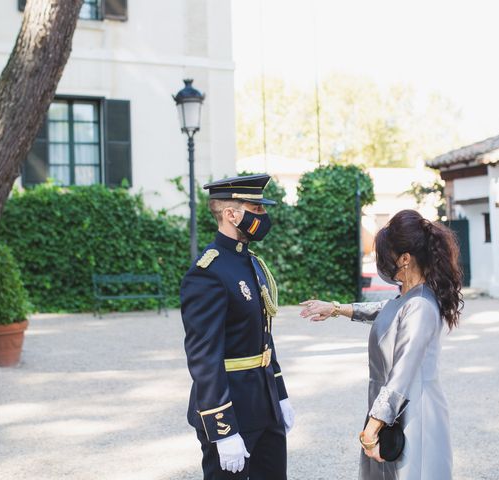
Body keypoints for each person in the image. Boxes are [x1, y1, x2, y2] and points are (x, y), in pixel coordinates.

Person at [300, 209, 462, 480]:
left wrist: (372, 429)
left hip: (413, 415)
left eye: (387, 257)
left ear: (405, 259)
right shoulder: (407, 298)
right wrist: (336, 308)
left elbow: (402, 375)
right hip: (391, 411)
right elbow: (383, 310)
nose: (382, 264)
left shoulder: (420, 305)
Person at [180, 174, 295, 479]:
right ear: (232, 214)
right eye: (256, 209)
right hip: (232, 409)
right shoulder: (208, 272)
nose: (264, 217)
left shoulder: (251, 263)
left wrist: (280, 395)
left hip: (265, 403)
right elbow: (204, 357)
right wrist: (223, 428)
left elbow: (264, 337)